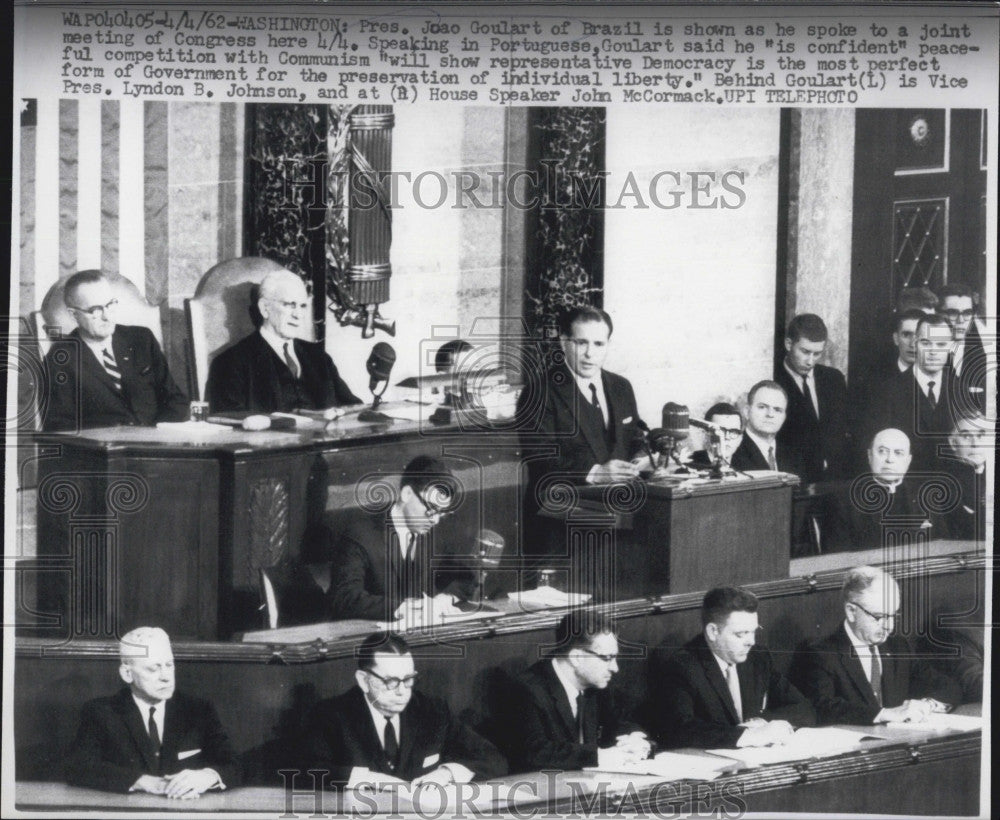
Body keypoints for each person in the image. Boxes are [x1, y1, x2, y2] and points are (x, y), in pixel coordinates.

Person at [516, 306, 644, 560]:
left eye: (598, 344)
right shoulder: (539, 391)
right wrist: (596, 473)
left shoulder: (621, 386)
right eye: (581, 342)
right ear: (564, 342)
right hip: (559, 528)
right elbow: (540, 456)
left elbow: (634, 436)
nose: (589, 354)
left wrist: (643, 457)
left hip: (618, 522)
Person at [305, 632, 506, 787]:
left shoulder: (432, 711)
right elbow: (309, 773)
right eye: (391, 681)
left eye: (408, 680)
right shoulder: (331, 716)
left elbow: (493, 759)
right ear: (364, 680)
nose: (402, 692)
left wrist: (447, 773)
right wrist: (370, 780)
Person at [64, 627, 240, 796]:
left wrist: (207, 777)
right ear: (127, 674)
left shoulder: (198, 710)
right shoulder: (102, 712)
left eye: (169, 665)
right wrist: (143, 782)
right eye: (153, 668)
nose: (165, 676)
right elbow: (78, 767)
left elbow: (235, 765)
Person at [645, 587, 814, 749]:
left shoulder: (757, 657)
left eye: (753, 632)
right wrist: (748, 735)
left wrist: (761, 723)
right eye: (740, 634)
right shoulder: (682, 666)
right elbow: (680, 730)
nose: (751, 641)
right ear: (713, 632)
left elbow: (803, 708)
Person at [791, 566, 961, 725]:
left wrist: (928, 705)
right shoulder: (820, 653)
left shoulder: (897, 646)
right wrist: (883, 714)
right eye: (879, 617)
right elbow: (821, 708)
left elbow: (949, 686)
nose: (889, 626)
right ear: (851, 611)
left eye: (893, 615)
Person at [491, 610, 650, 773]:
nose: (615, 668)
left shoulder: (598, 682)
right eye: (607, 658)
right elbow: (535, 752)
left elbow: (618, 722)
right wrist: (598, 757)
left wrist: (635, 739)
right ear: (576, 658)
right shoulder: (527, 690)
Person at [326, 455, 473, 621]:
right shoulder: (360, 536)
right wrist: (399, 609)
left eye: (441, 513)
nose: (435, 520)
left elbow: (465, 578)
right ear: (407, 493)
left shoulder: (437, 533)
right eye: (431, 509)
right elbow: (344, 597)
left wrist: (444, 599)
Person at [42, 270, 189, 431]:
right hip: (103, 452)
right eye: (95, 310)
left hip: (155, 445)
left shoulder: (141, 339)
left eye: (109, 305)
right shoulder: (59, 360)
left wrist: (156, 435)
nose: (107, 316)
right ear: (74, 314)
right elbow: (60, 427)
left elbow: (175, 401)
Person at [205, 268, 360, 413]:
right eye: (289, 305)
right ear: (265, 308)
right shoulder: (229, 363)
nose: (298, 315)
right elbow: (229, 427)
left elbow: (352, 408)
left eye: (303, 306)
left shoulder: (319, 358)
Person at [828, 428, 951, 551]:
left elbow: (943, 546)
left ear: (908, 461)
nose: (890, 459)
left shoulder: (925, 495)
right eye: (882, 451)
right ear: (869, 456)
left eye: (898, 453)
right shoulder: (845, 501)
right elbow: (837, 556)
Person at [866, 313, 956, 474]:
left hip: (954, 488)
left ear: (951, 347)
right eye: (926, 343)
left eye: (941, 344)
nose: (933, 351)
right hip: (907, 489)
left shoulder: (961, 389)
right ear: (915, 343)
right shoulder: (887, 392)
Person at [775, 314, 850, 482]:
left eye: (817, 354)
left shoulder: (834, 379)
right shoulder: (774, 382)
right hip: (794, 479)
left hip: (833, 479)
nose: (810, 361)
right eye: (805, 352)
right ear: (788, 344)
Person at [936, 282, 987, 414]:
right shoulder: (927, 352)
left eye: (967, 313)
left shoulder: (982, 354)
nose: (961, 320)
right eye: (953, 313)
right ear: (938, 313)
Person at [940, 412, 991, 541]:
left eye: (981, 435)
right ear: (953, 443)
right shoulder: (943, 486)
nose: (975, 444)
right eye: (966, 436)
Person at [729, 381, 799, 474]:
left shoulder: (794, 455)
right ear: (747, 412)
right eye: (762, 407)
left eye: (778, 410)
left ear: (784, 417)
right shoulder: (732, 452)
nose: (770, 414)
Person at [687, 402, 743, 468]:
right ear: (705, 434)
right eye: (720, 431)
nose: (727, 437)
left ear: (740, 438)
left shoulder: (747, 466)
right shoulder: (688, 465)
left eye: (734, 432)